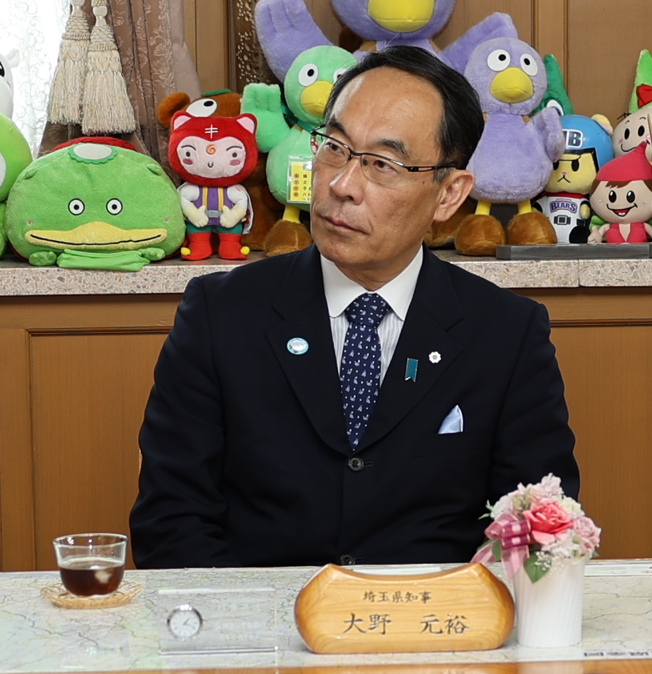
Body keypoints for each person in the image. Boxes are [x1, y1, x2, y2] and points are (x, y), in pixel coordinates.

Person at [130, 43, 581, 569]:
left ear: (449, 194)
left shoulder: (506, 334)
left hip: (435, 632)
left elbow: (539, 533)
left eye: (383, 164)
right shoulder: (221, 314)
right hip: (263, 632)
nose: (342, 186)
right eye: (335, 148)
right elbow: (172, 522)